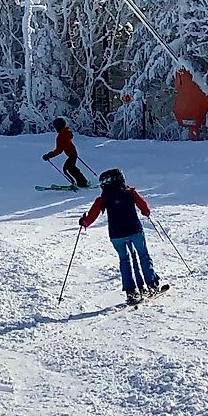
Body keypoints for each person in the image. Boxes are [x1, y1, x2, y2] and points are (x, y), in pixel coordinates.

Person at [80, 167, 167, 306]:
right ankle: (151, 284)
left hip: (116, 235)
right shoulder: (130, 193)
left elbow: (90, 218)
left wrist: (83, 222)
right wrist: (146, 213)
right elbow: (145, 208)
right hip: (134, 231)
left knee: (124, 260)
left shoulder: (102, 199)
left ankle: (131, 291)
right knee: (143, 255)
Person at [41, 117, 90, 189]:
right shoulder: (66, 132)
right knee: (70, 168)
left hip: (72, 154)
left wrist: (49, 155)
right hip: (73, 153)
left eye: (55, 126)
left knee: (68, 169)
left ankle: (81, 182)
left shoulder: (61, 136)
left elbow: (59, 150)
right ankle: (81, 182)